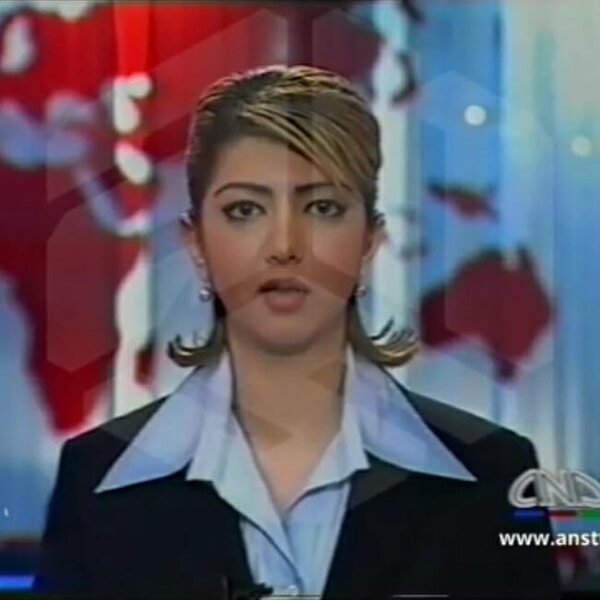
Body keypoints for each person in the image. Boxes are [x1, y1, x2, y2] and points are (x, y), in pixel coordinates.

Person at [33, 64, 560, 599]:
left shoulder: (496, 473)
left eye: (322, 208)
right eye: (245, 210)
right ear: (197, 245)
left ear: (369, 242)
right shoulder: (94, 478)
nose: (284, 245)